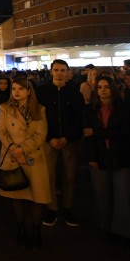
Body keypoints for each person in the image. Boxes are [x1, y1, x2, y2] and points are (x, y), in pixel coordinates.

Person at [83, 75, 130, 249]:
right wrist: (91, 157)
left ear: (112, 88)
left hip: (121, 155)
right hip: (99, 156)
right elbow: (87, 136)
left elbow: (125, 132)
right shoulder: (90, 110)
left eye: (106, 87)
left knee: (124, 195)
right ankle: (106, 226)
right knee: (102, 195)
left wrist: (97, 133)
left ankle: (125, 231)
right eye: (100, 87)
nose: (103, 90)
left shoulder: (124, 108)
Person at [0, 76, 50, 249]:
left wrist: (23, 149)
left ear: (29, 91)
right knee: (16, 194)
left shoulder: (39, 110)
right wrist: (14, 149)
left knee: (37, 197)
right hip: (12, 155)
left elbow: (40, 135)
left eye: (20, 89)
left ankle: (36, 230)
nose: (16, 92)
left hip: (33, 157)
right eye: (13, 89)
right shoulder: (5, 108)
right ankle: (20, 228)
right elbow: (2, 132)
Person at [37, 59, 85, 227]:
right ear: (51, 72)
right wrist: (49, 137)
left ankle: (67, 208)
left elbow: (79, 118)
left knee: (70, 176)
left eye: (62, 70)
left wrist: (66, 138)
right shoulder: (42, 92)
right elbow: (39, 118)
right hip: (48, 140)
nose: (59, 73)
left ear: (67, 72)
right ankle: (52, 208)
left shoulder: (74, 92)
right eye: (56, 70)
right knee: (49, 176)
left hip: (69, 141)